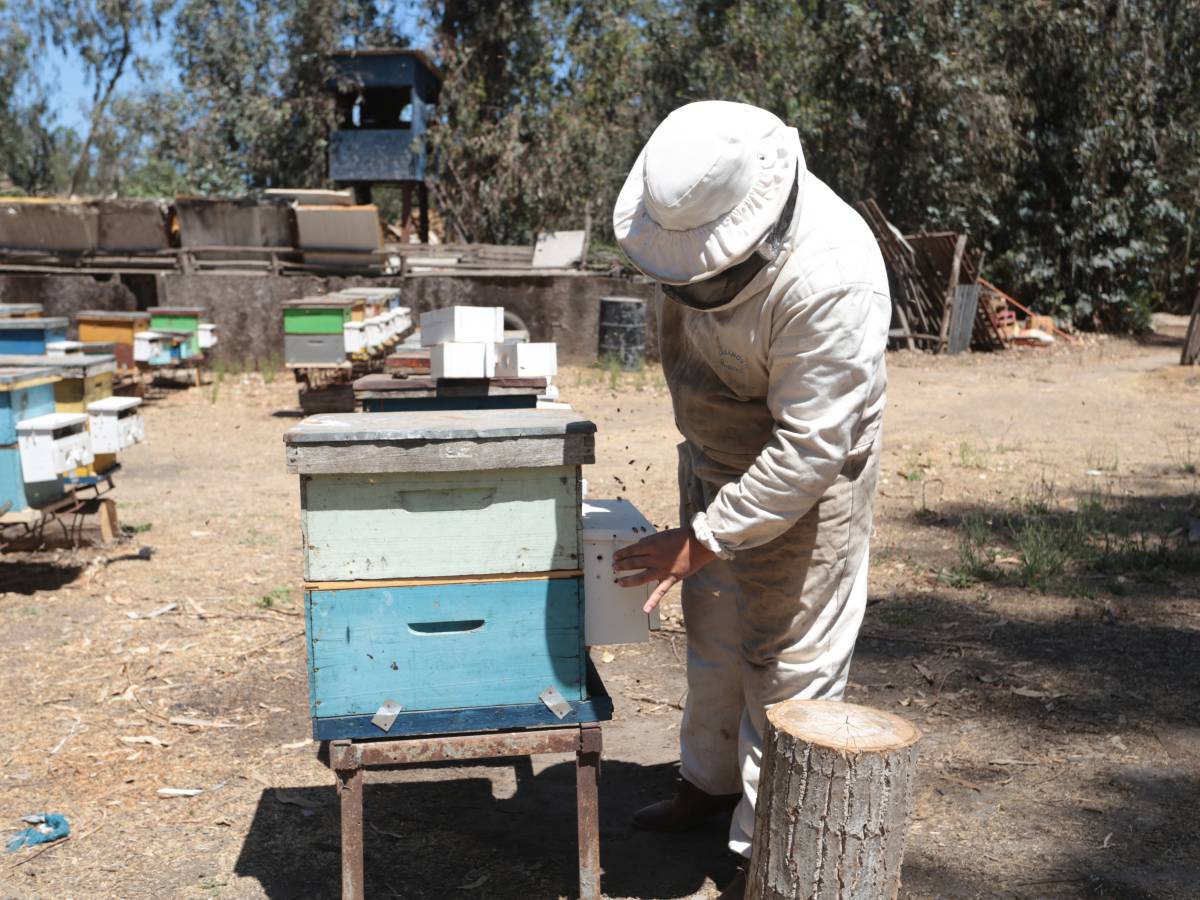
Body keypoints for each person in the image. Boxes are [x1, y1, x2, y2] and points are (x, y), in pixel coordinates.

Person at [610, 100, 891, 896]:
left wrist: (699, 538)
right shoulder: (690, 207)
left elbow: (807, 450)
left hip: (810, 488)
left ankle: (766, 850)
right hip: (714, 461)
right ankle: (706, 785)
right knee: (716, 635)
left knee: (788, 666)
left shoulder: (835, 277)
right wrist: (705, 531)